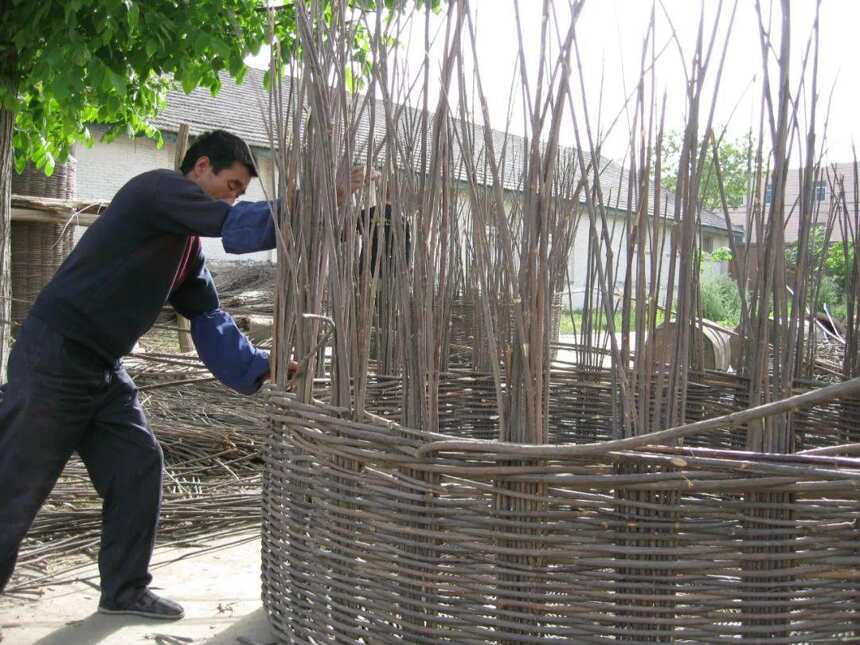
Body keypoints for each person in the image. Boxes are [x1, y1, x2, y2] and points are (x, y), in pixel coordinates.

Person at [0, 130, 366, 621]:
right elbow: (236, 228)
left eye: (240, 191)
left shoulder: (185, 247)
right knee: (17, 483)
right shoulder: (156, 190)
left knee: (138, 466)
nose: (233, 197)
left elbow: (208, 316)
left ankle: (124, 590)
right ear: (200, 169)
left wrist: (261, 364)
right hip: (55, 357)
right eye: (231, 184)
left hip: (103, 368)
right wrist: (317, 199)